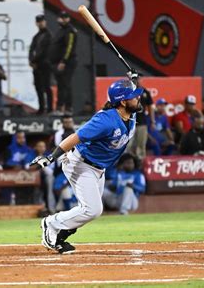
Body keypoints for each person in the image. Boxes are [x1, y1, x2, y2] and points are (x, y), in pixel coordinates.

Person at [31, 78, 143, 254]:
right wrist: (51, 157)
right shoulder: (105, 120)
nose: (138, 99)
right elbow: (75, 137)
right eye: (134, 97)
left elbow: (134, 95)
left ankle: (60, 235)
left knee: (91, 210)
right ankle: (51, 223)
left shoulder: (129, 114)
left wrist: (133, 80)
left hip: (98, 167)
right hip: (80, 163)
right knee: (92, 209)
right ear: (122, 102)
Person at [49, 11, 77, 115]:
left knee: (66, 84)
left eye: (64, 18)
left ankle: (67, 108)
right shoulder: (61, 30)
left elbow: (69, 47)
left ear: (68, 19)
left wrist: (64, 61)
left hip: (67, 62)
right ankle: (60, 107)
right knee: (61, 85)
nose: (61, 20)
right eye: (60, 18)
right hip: (58, 62)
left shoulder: (70, 31)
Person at [126, 75, 155, 160]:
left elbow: (150, 107)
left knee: (141, 145)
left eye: (137, 79)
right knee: (128, 145)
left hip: (142, 122)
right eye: (133, 79)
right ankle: (128, 163)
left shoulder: (145, 92)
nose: (136, 80)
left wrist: (152, 121)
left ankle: (140, 164)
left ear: (140, 79)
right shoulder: (127, 91)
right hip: (129, 122)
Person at [29, 14, 52, 115]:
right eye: (39, 22)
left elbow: (43, 51)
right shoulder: (36, 36)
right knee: (38, 87)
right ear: (36, 23)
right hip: (37, 65)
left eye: (42, 21)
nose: (41, 23)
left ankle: (50, 108)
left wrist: (34, 60)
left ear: (45, 22)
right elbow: (31, 49)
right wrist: (31, 60)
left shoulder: (48, 35)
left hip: (45, 64)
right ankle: (41, 108)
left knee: (46, 86)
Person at [30, 140, 56, 215]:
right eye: (40, 146)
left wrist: (40, 164)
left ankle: (51, 209)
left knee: (49, 190)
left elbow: (50, 172)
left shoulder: (48, 155)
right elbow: (27, 166)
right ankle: (39, 208)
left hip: (47, 178)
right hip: (35, 178)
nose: (42, 148)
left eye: (43, 146)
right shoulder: (32, 155)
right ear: (36, 147)